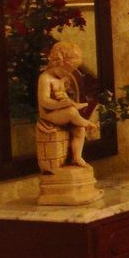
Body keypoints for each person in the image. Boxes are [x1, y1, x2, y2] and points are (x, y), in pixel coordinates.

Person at [35, 41, 99, 169]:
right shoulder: (45, 78)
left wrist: (66, 100)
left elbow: (62, 96)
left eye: (71, 71)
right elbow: (44, 102)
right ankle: (87, 123)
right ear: (56, 62)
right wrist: (63, 103)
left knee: (79, 129)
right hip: (49, 115)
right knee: (71, 112)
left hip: (61, 112)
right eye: (66, 70)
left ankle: (77, 157)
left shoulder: (62, 78)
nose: (67, 73)